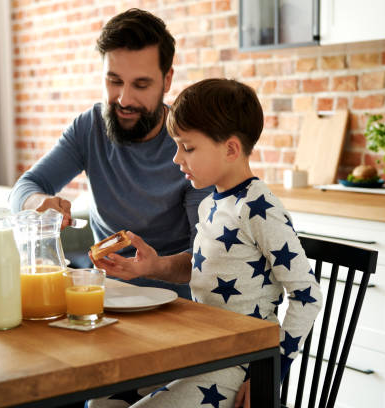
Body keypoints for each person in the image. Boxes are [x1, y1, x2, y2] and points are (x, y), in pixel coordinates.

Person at [91, 79, 323, 408]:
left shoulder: (259, 208)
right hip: (205, 349)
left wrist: (272, 372)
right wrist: (154, 266)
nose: (176, 159)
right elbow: (206, 267)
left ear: (230, 149)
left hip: (240, 362)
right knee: (102, 401)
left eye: (188, 147)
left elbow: (308, 296)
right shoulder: (210, 204)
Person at [9, 9, 212, 298]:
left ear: (167, 81)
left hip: (176, 304)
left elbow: (208, 258)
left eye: (141, 85)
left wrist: (153, 267)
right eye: (114, 81)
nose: (124, 99)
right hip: (106, 297)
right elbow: (21, 189)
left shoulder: (191, 144)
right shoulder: (90, 127)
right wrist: (40, 202)